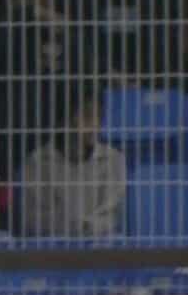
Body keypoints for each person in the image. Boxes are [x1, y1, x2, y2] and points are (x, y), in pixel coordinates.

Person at [18, 85, 127, 239]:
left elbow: (113, 216)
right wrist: (78, 227)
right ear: (64, 120)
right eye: (87, 116)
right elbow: (34, 220)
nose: (95, 124)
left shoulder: (114, 160)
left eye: (99, 116)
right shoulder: (36, 163)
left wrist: (86, 227)